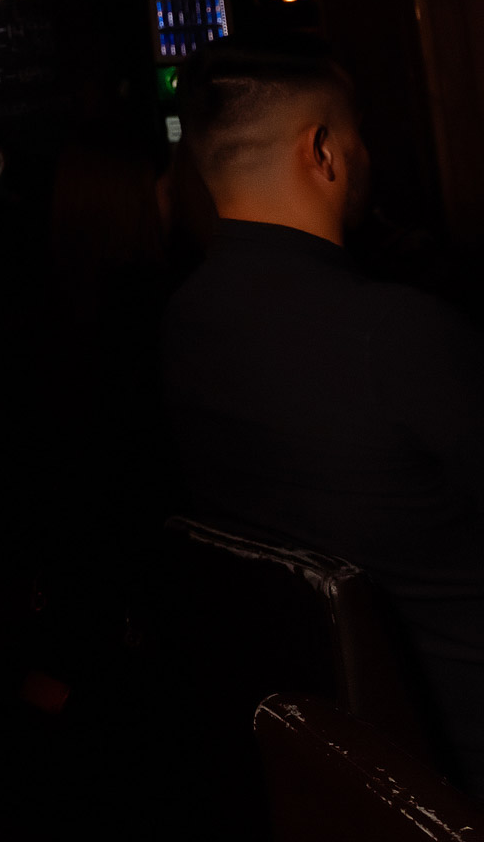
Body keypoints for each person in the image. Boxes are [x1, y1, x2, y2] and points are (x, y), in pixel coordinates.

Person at [165, 42, 484, 792]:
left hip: (314, 746)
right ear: (323, 151)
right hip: (456, 739)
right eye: (358, 133)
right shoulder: (395, 331)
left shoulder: (181, 322)